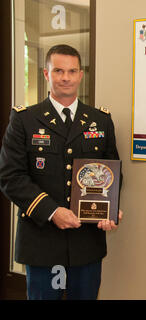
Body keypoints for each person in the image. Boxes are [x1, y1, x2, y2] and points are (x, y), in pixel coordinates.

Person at [0, 44, 122, 300]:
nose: (65, 77)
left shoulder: (100, 120)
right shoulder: (24, 120)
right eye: (58, 70)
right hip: (42, 241)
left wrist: (110, 207)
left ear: (80, 75)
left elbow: (112, 173)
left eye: (72, 71)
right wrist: (52, 212)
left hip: (86, 242)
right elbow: (11, 178)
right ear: (46, 74)